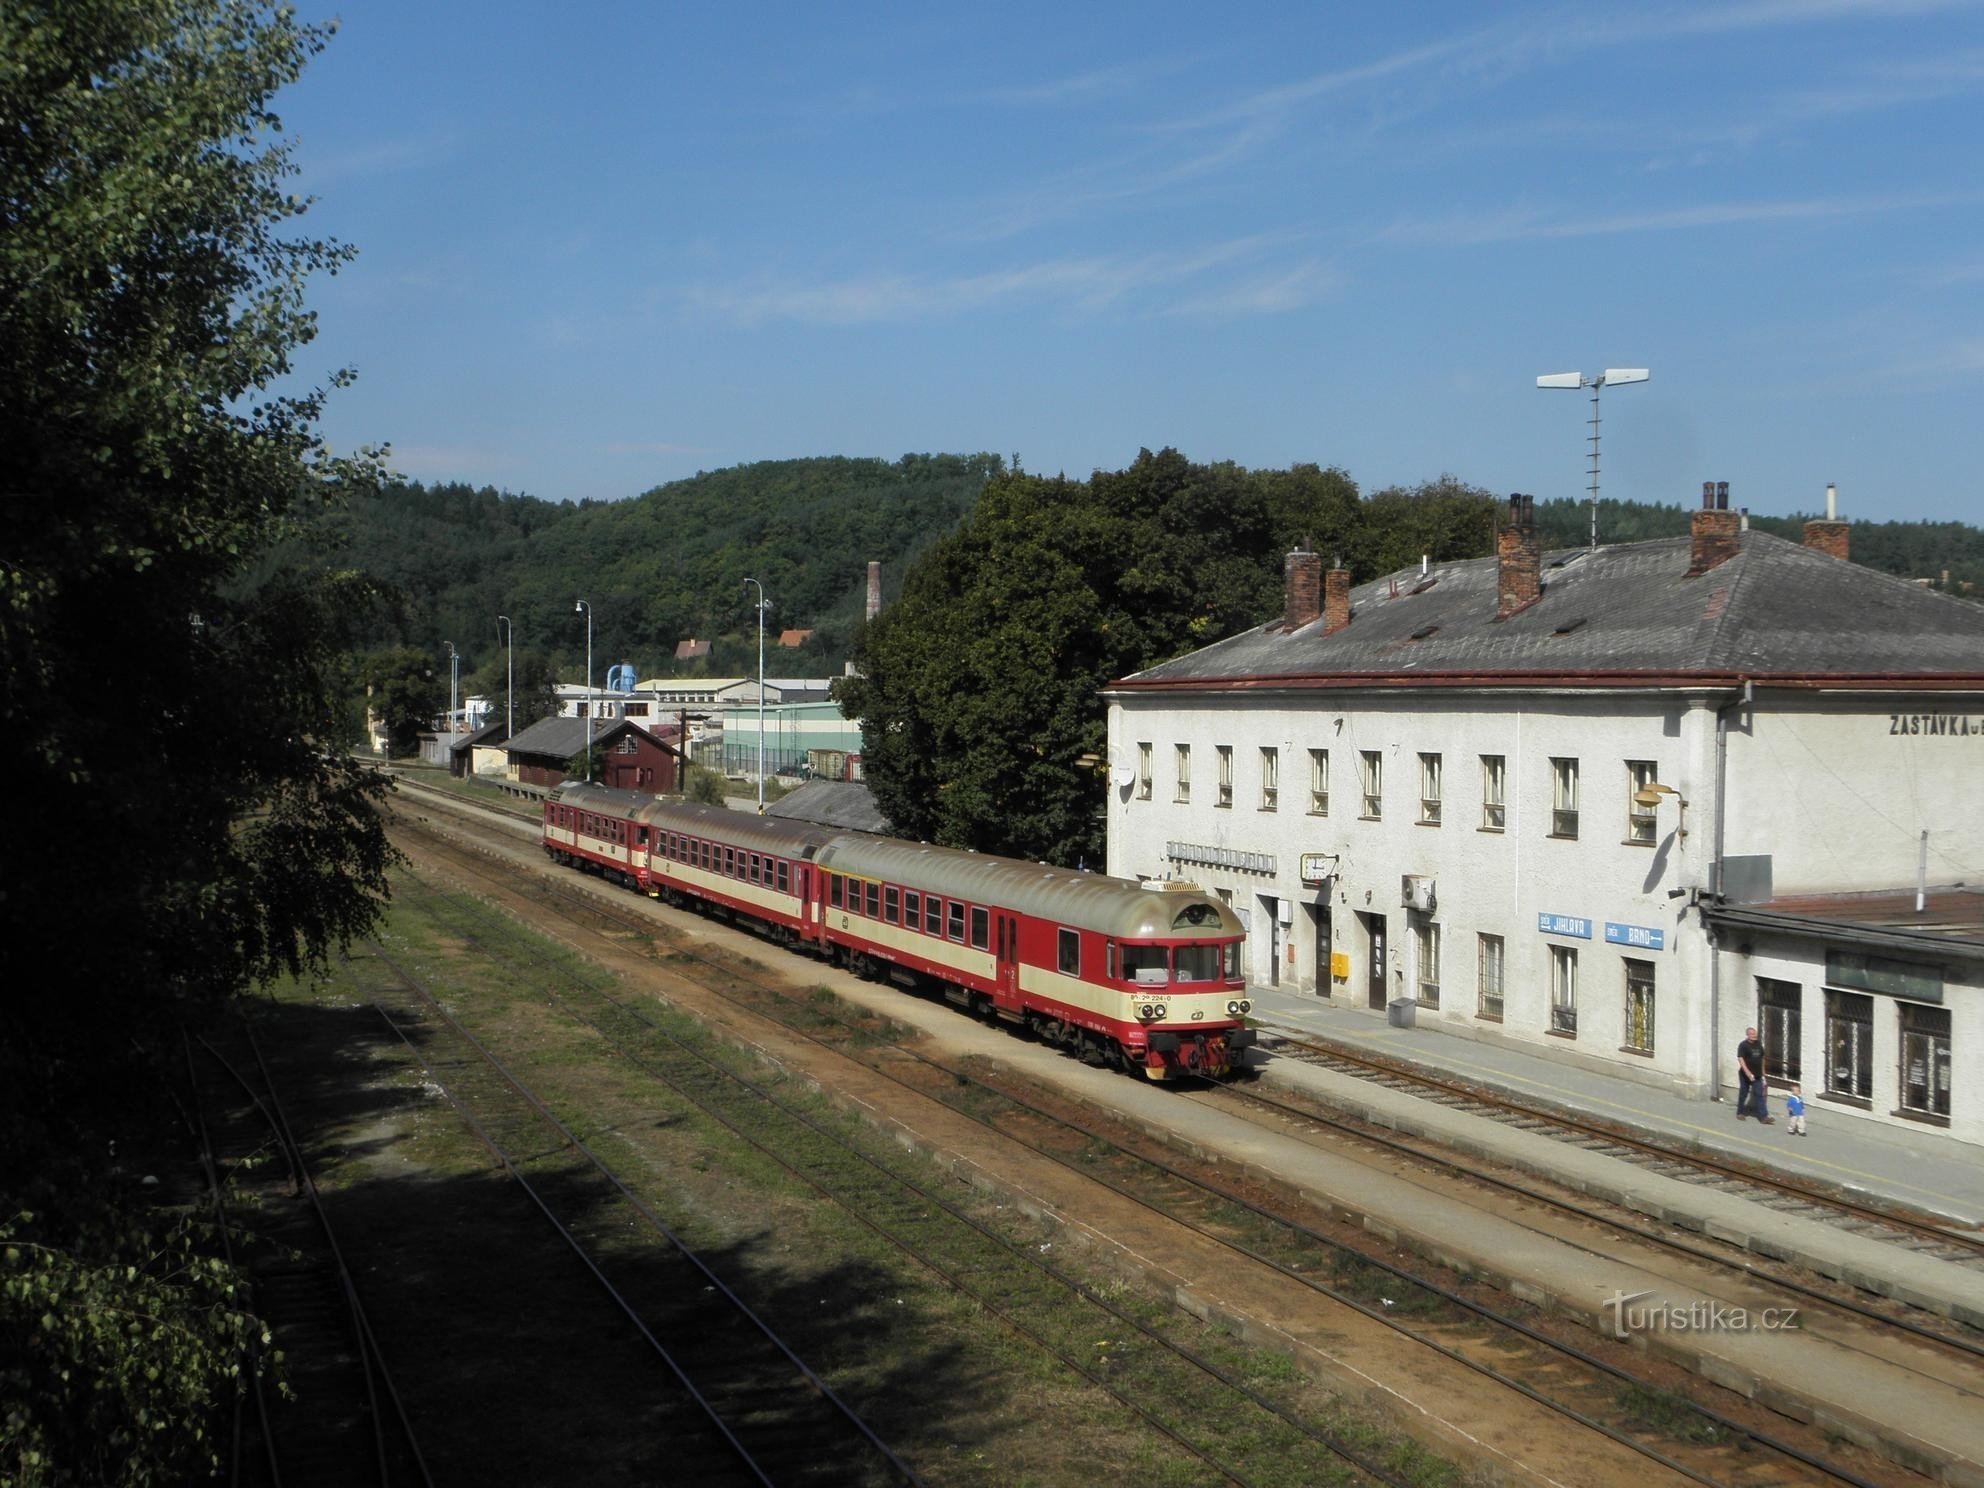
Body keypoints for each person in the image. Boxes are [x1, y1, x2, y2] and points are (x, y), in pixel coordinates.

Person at [1735, 1026, 1773, 1123]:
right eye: (1752, 1034)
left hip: (1757, 1075)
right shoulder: (1743, 1045)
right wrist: (1747, 1072)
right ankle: (1740, 1112)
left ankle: (1764, 1117)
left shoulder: (1758, 1044)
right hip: (1745, 1075)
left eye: (1755, 1034)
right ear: (1747, 1035)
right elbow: (1741, 1059)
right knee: (1743, 1093)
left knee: (1759, 1094)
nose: (1754, 1036)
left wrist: (1763, 1073)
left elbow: (1762, 1058)